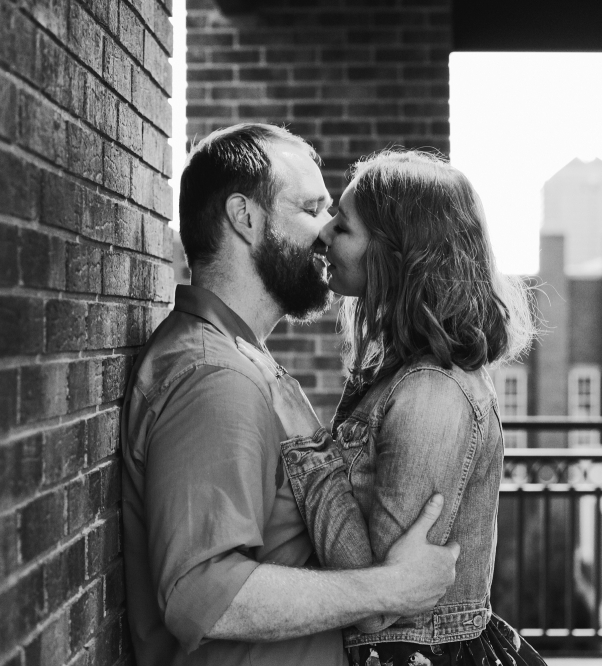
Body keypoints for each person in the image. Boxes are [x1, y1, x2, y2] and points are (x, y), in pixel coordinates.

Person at [120, 125, 461, 666]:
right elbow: (198, 597)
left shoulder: (238, 359)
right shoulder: (216, 379)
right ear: (246, 218)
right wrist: (388, 589)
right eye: (310, 207)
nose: (329, 232)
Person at [237, 150, 547, 665]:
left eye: (345, 225)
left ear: (395, 252)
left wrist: (307, 445)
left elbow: (379, 604)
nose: (324, 234)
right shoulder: (402, 374)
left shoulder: (432, 393)